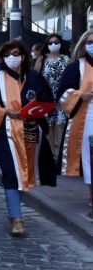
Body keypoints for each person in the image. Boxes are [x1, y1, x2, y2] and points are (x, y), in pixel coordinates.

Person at [0, 40, 57, 235]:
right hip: (4, 132)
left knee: (23, 172)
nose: (12, 58)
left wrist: (35, 110)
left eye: (15, 53)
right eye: (7, 55)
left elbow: (47, 100)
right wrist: (5, 111)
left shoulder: (34, 77)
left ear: (23, 56)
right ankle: (17, 218)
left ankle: (14, 208)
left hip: (30, 130)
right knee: (10, 171)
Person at [57, 29, 93, 207]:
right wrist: (81, 95)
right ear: (84, 45)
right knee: (88, 155)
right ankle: (92, 192)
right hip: (86, 117)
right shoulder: (76, 67)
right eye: (90, 42)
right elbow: (62, 92)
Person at [34, 34, 69, 156]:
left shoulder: (66, 59)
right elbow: (35, 77)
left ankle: (60, 156)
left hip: (62, 96)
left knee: (61, 124)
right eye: (50, 43)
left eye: (56, 42)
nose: (53, 45)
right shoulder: (42, 59)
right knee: (49, 127)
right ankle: (50, 157)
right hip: (46, 97)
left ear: (60, 43)